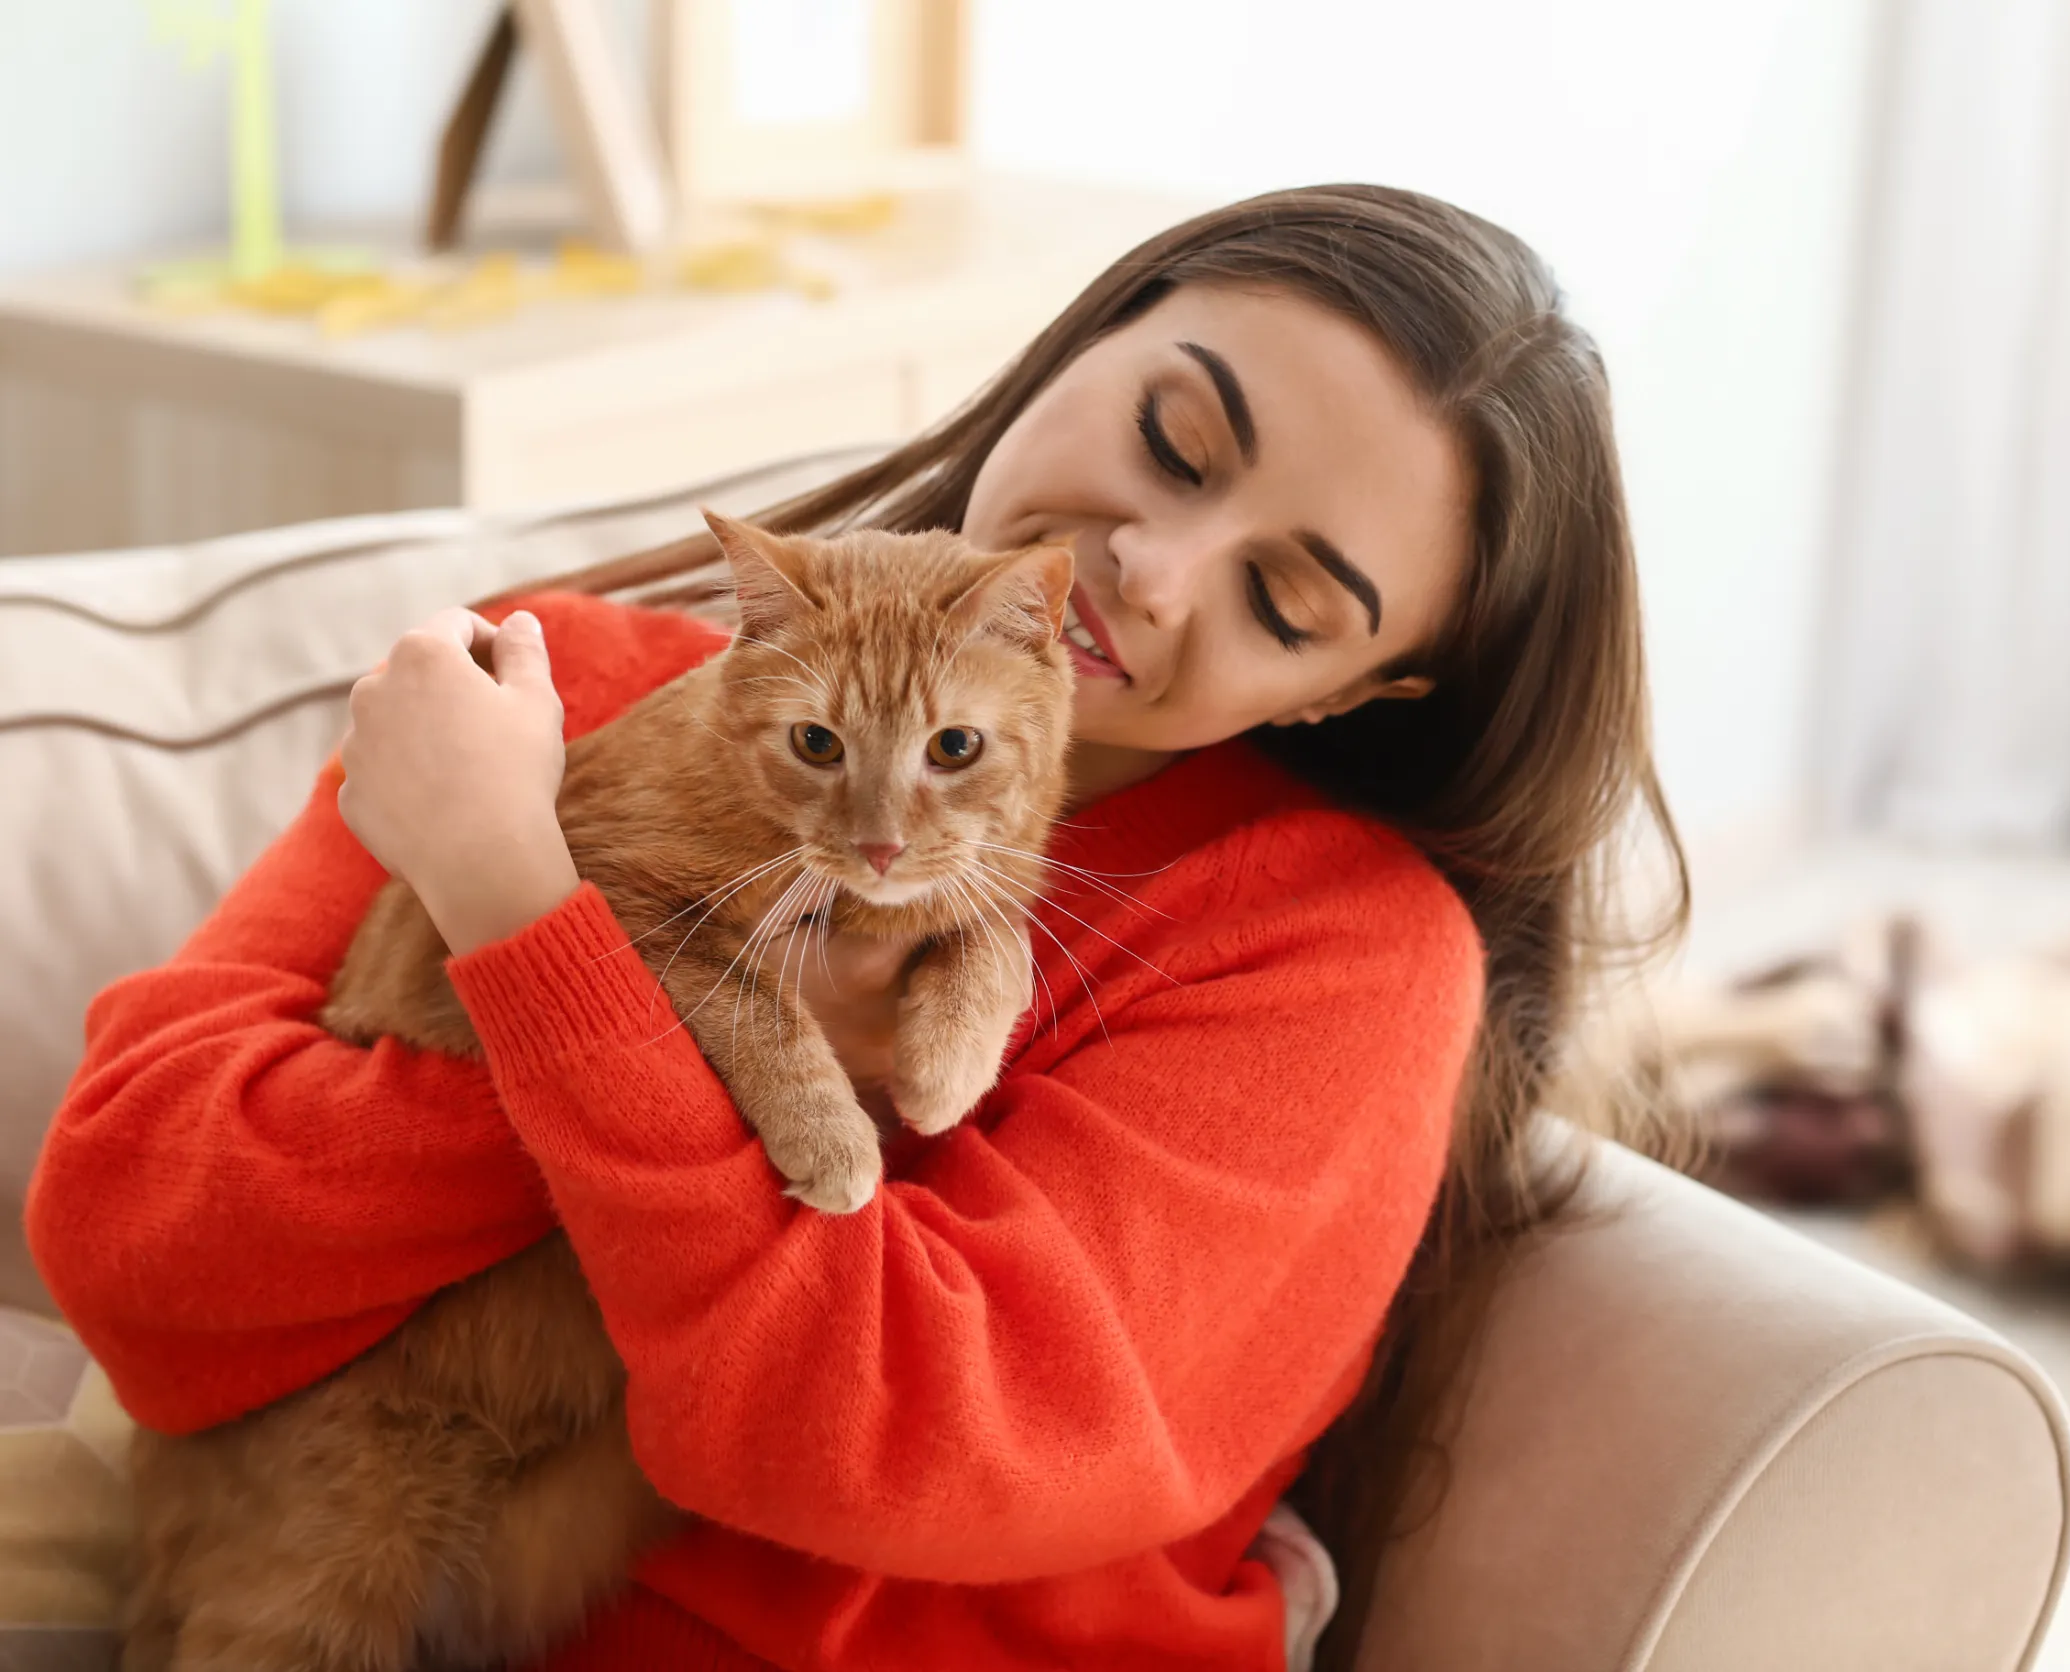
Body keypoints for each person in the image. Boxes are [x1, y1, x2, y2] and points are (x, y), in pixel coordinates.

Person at [27, 184, 1683, 1672]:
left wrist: (522, 924)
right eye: (1176, 441)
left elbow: (896, 1439)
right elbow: (120, 1229)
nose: (1153, 573)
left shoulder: (1338, 954)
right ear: (1080, 339)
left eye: (1289, 602)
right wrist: (580, 966)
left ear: (1362, 690)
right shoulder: (543, 690)